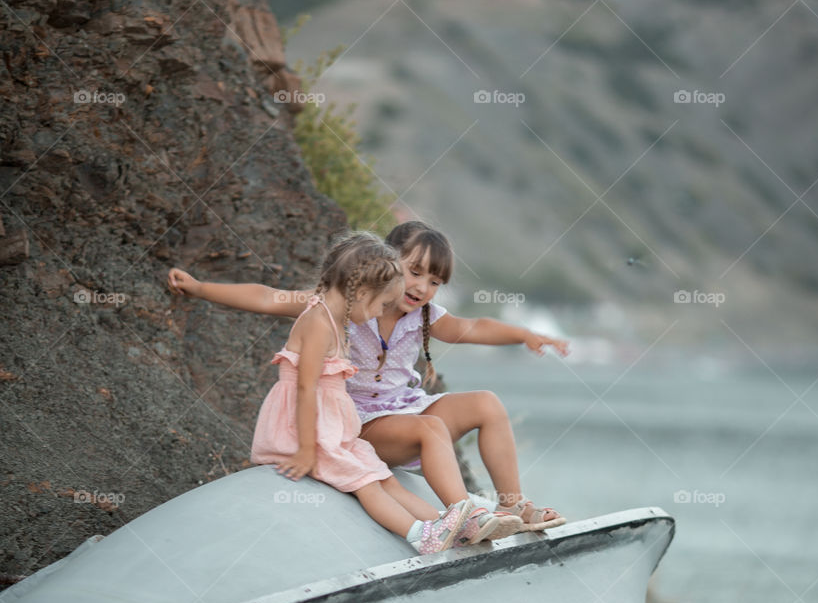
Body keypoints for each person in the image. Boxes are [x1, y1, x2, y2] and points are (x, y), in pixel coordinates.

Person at [167, 222, 568, 530]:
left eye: (435, 282)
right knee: (429, 428)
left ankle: (512, 505)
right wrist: (201, 288)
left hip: (404, 414)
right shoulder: (342, 307)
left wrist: (525, 334)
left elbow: (475, 326)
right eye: (415, 272)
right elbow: (269, 297)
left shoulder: (426, 317)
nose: (423, 287)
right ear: (388, 264)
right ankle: (462, 518)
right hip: (356, 425)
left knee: (487, 404)